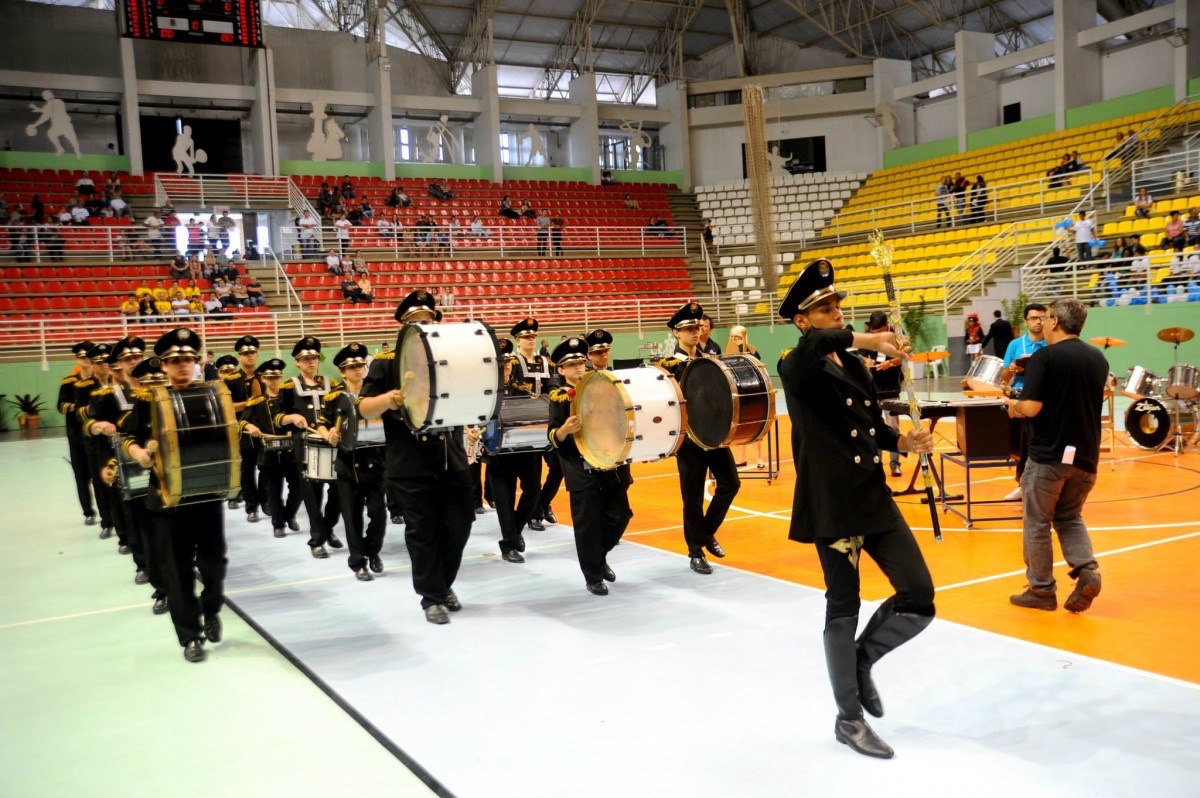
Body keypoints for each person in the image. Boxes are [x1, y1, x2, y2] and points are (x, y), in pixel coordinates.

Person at [777, 258, 935, 759]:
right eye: (824, 308)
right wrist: (866, 340)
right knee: (843, 607)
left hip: (872, 497)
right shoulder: (795, 363)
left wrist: (904, 441)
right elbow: (823, 345)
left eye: (837, 304)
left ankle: (861, 660)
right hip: (834, 506)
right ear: (803, 320)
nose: (836, 313)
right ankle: (849, 719)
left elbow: (870, 428)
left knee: (919, 595)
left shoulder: (854, 365)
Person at [358, 290, 476, 625]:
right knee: (422, 531)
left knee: (460, 525)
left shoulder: (450, 360)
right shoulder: (386, 362)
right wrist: (389, 400)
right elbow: (363, 408)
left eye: (428, 321)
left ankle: (441, 585)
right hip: (409, 464)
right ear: (404, 328)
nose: (423, 327)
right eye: (415, 322)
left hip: (450, 458)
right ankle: (431, 597)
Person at [122, 328, 234, 662]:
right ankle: (190, 637)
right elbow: (129, 438)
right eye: (176, 361)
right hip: (167, 500)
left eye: (188, 360)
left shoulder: (212, 395)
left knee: (214, 565)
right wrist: (139, 453)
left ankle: (211, 608)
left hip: (207, 495)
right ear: (165, 365)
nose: (183, 366)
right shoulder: (149, 400)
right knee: (178, 570)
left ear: (197, 362)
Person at [1003, 299, 1106, 613]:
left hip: (1049, 455)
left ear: (1057, 322)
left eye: (1046, 318)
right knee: (1069, 517)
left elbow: (1032, 406)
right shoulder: (1097, 359)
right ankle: (1086, 570)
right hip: (1086, 457)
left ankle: (1042, 590)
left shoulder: (1045, 357)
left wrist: (1014, 407)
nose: (1042, 324)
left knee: (1036, 522)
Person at [658, 302, 740, 574]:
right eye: (689, 328)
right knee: (692, 498)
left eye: (697, 326)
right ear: (676, 333)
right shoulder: (670, 364)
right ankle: (695, 552)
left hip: (714, 434)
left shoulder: (710, 358)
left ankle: (705, 532)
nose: (696, 331)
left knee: (731, 483)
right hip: (690, 440)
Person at [547, 337, 633, 595]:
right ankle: (593, 575)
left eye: (580, 363)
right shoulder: (560, 398)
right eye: (571, 365)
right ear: (560, 371)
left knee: (621, 515)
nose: (578, 368)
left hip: (610, 464)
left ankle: (600, 555)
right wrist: (563, 430)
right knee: (587, 525)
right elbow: (552, 435)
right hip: (580, 466)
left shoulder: (602, 387)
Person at [314, 343, 388, 582]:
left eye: (361, 365)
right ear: (343, 372)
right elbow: (321, 423)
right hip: (348, 465)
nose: (359, 369)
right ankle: (358, 562)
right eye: (353, 366)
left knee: (379, 514)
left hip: (376, 462)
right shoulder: (334, 397)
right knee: (352, 516)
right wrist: (329, 435)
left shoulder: (376, 395)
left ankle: (372, 550)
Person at [277, 337, 343, 558]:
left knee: (338, 493)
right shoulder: (288, 386)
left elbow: (341, 410)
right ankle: (317, 539)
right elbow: (277, 416)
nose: (311, 361)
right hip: (304, 445)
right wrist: (292, 417)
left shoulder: (332, 384)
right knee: (312, 495)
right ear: (297, 362)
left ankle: (328, 528)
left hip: (332, 443)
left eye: (314, 357)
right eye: (306, 359)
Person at [485, 340, 543, 564]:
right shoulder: (486, 392)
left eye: (508, 361)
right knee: (504, 500)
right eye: (501, 362)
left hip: (525, 451)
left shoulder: (524, 388)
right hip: (498, 455)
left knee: (533, 490)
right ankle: (508, 544)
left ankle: (515, 530)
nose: (506, 365)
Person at [241, 358, 304, 538]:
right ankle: (278, 524)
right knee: (274, 491)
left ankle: (289, 515)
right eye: (270, 378)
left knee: (298, 488)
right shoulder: (256, 402)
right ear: (263, 379)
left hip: (292, 452)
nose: (274, 381)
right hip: (269, 453)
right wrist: (250, 427)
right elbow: (242, 421)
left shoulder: (292, 398)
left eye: (277, 377)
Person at [511, 317, 561, 531]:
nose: (530, 339)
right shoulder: (512, 363)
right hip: (525, 425)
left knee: (559, 467)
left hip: (547, 422)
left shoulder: (546, 363)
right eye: (526, 337)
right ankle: (534, 513)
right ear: (517, 340)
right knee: (533, 474)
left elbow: (553, 384)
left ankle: (543, 502)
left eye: (533, 336)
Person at [1000, 303, 1048, 500]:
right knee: (1021, 444)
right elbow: (1003, 377)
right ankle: (1022, 484)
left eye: (1042, 318)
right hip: (1020, 397)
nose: (1039, 321)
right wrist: (1011, 369)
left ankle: (1040, 486)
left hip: (1044, 399)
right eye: (1035, 318)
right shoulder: (1015, 345)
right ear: (1026, 321)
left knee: (1038, 444)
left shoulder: (1051, 343)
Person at [57, 340, 98, 527]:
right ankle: (88, 512)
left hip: (97, 434)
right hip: (76, 434)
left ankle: (108, 512)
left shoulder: (101, 380)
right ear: (77, 359)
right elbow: (61, 405)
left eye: (89, 357)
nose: (87, 360)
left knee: (101, 475)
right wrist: (78, 407)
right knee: (81, 476)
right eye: (82, 357)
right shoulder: (68, 383)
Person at [860, 312, 903, 478]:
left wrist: (890, 363)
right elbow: (861, 356)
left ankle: (895, 463)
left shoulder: (898, 335)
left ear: (887, 325)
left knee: (893, 426)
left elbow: (905, 356)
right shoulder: (867, 337)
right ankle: (876, 463)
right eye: (875, 332)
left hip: (891, 388)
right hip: (873, 389)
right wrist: (866, 362)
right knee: (874, 427)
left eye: (881, 331)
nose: (877, 336)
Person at [725, 325, 767, 469]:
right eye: (732, 336)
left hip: (752, 389)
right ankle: (741, 458)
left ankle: (759, 458)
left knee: (756, 424)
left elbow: (757, 364)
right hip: (737, 391)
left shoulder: (752, 349)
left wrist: (743, 347)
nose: (734, 339)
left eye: (737, 337)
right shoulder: (728, 352)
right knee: (738, 425)